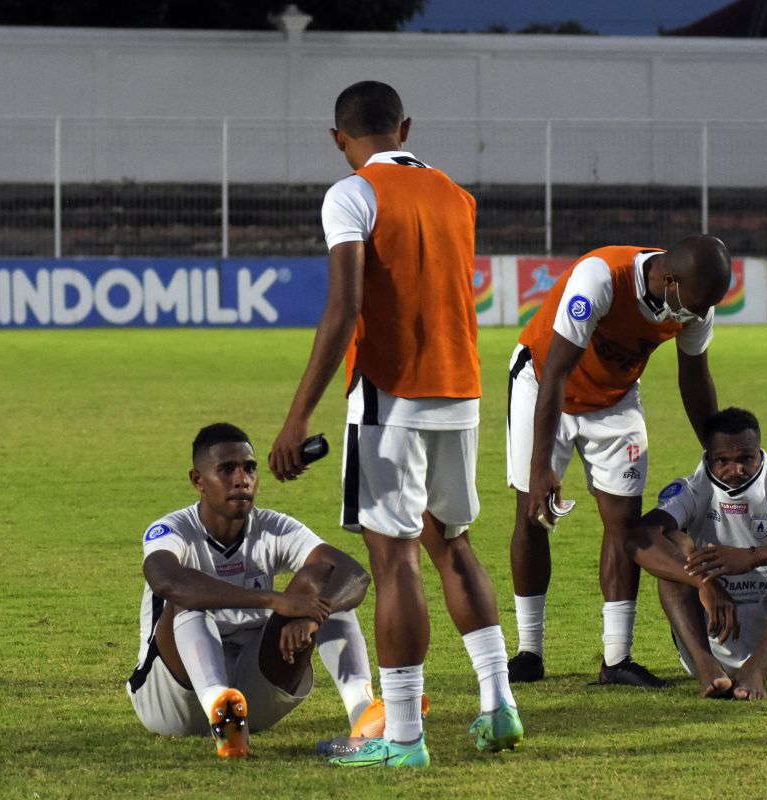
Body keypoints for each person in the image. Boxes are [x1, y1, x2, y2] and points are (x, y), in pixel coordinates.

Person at [267, 80, 521, 768]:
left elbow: (345, 308)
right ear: (404, 127)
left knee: (397, 559)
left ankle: (403, 737)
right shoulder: (455, 194)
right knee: (455, 545)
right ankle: (499, 706)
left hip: (391, 397)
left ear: (337, 138)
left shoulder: (350, 193)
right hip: (461, 391)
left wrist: (297, 417)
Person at [507, 236, 732, 688]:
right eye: (692, 304)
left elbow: (695, 377)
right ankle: (529, 651)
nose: (697, 314)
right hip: (542, 383)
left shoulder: (694, 301)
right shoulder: (600, 278)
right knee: (534, 515)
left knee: (623, 521)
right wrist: (540, 468)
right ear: (669, 279)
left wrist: (718, 454)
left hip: (615, 398)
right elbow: (556, 370)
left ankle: (617, 659)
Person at [127, 422, 376, 759]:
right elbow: (167, 580)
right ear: (197, 480)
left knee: (325, 582)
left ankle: (365, 717)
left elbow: (355, 574)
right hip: (172, 699)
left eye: (249, 468)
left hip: (253, 691)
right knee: (188, 598)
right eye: (226, 469)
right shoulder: (172, 529)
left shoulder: (274, 527)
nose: (241, 479)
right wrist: (275, 601)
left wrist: (315, 617)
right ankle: (220, 709)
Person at [626, 407, 767, 700]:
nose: (736, 470)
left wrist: (752, 556)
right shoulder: (690, 490)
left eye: (746, 459)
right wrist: (703, 582)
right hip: (715, 636)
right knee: (673, 547)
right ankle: (707, 668)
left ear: (759, 452)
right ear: (708, 458)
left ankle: (756, 669)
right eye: (723, 461)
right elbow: (638, 538)